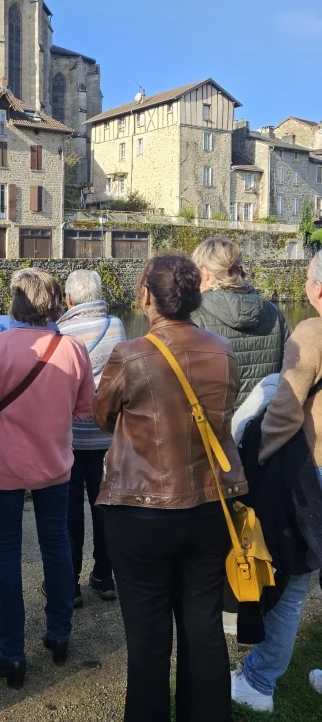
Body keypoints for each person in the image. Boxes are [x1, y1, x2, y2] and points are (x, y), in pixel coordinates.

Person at [94, 254, 247, 722]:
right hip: (208, 504)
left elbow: (102, 416)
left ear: (146, 296)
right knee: (203, 628)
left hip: (139, 510)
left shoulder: (130, 354)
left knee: (148, 637)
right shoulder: (223, 350)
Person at [0, 269, 95, 688]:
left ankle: (11, 653)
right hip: (54, 463)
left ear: (16, 302)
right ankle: (59, 633)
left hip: (4, 466)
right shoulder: (73, 348)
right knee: (56, 543)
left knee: (5, 552)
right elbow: (84, 408)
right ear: (55, 303)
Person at [231, 251, 322, 713]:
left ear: (318, 288)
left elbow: (285, 409)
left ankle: (258, 682)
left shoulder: (312, 333)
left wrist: (258, 455)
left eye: (307, 277)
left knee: (293, 585)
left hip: (313, 473)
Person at [58, 269, 126, 606]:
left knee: (70, 511)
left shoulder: (60, 333)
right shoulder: (116, 326)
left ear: (69, 299)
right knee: (104, 507)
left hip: (70, 437)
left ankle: (69, 584)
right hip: (107, 436)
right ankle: (104, 577)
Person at [191, 236, 289, 408]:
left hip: (217, 422)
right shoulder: (273, 311)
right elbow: (289, 372)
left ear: (206, 273)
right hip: (264, 419)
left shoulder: (194, 315)